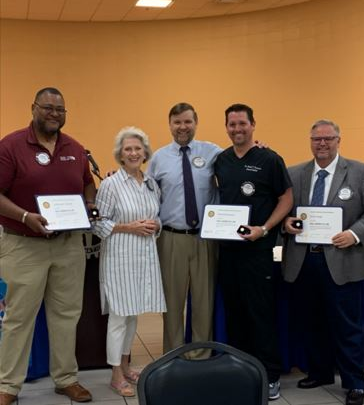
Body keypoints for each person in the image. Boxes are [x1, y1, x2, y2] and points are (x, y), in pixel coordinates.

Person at [0, 87, 96, 405]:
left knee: (66, 314)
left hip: (68, 245)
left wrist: (90, 205)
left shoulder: (75, 147)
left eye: (60, 109)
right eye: (48, 107)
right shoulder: (12, 145)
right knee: (19, 317)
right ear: (34, 108)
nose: (54, 114)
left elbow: (87, 183)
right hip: (24, 244)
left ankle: (66, 378)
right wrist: (25, 216)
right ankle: (8, 385)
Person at [282, 119, 364, 405]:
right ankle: (320, 372)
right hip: (304, 261)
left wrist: (355, 234)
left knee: (347, 326)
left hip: (343, 260)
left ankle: (355, 383)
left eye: (328, 138)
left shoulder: (359, 171)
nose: (322, 144)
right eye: (317, 139)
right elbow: (284, 212)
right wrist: (286, 224)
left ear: (339, 140)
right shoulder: (295, 173)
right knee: (311, 321)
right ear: (310, 141)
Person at [214, 103, 293, 401]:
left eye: (242, 124)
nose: (237, 129)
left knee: (260, 313)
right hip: (228, 251)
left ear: (253, 125)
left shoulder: (269, 159)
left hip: (258, 249)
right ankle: (240, 372)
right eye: (232, 124)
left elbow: (286, 198)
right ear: (226, 127)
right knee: (235, 314)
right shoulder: (220, 160)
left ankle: (270, 375)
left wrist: (266, 227)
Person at [94, 126, 166, 397]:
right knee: (119, 317)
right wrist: (129, 227)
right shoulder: (111, 185)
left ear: (145, 152)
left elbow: (157, 218)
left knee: (133, 315)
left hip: (144, 259)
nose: (134, 153)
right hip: (119, 259)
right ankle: (115, 375)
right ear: (120, 155)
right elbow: (97, 224)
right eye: (128, 149)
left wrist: (154, 225)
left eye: (138, 148)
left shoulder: (150, 184)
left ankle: (125, 366)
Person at [148, 103, 220, 359]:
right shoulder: (158, 158)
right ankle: (173, 355)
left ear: (196, 123)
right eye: (177, 122)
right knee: (172, 301)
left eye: (187, 121)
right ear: (169, 125)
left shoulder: (212, 152)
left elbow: (238, 164)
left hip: (204, 238)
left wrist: (258, 148)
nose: (182, 127)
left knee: (204, 301)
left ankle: (201, 355)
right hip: (171, 238)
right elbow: (147, 195)